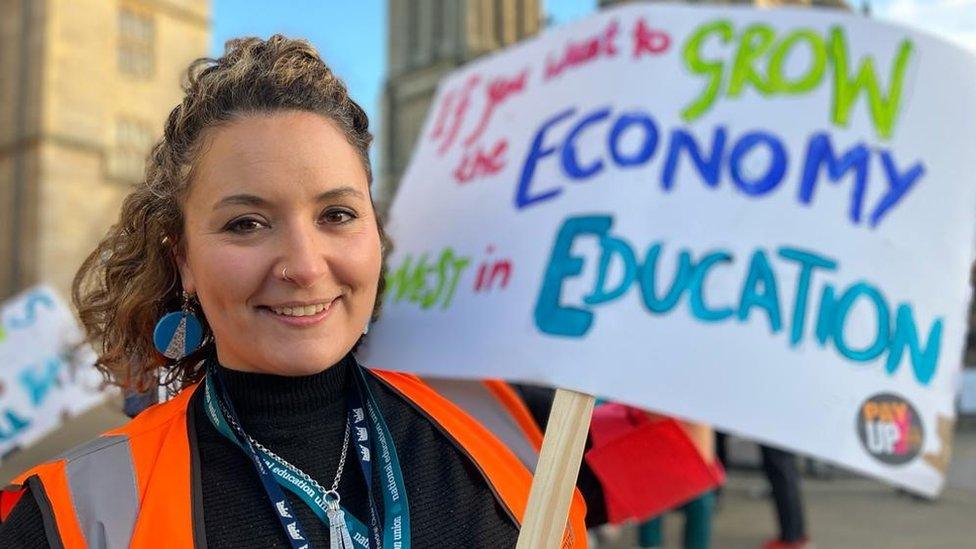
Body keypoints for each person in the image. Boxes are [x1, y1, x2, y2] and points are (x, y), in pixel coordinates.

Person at [0, 35, 586, 548]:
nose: (305, 267)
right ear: (184, 261)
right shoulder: (72, 513)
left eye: (336, 214)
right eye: (246, 224)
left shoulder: (503, 432)